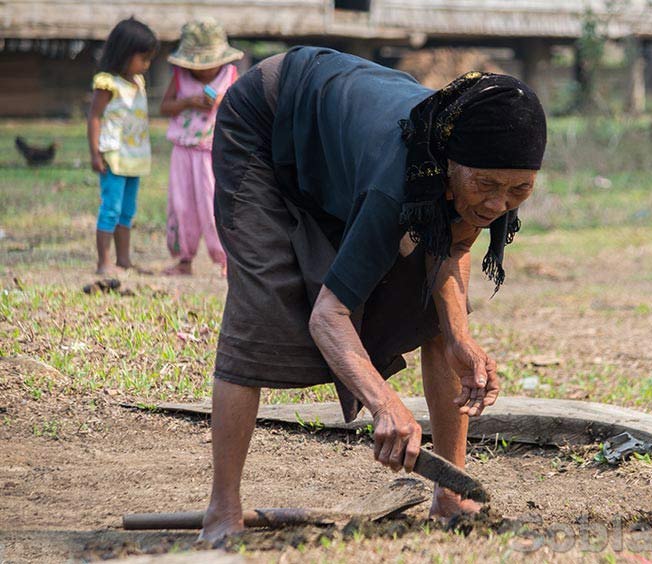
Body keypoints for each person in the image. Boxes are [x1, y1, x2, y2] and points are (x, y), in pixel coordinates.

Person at [201, 47, 547, 543]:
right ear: (448, 166)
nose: (499, 203)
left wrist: (459, 338)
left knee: (432, 308)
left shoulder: (484, 168)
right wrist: (385, 403)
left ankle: (450, 497)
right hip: (267, 117)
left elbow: (451, 246)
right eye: (486, 185)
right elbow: (328, 314)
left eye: (519, 190)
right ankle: (222, 510)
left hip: (340, 133)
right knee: (261, 304)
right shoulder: (400, 181)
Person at [160, 18, 242, 277]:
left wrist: (219, 100)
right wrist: (188, 102)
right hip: (182, 150)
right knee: (182, 204)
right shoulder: (180, 76)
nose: (206, 71)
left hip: (212, 151)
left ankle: (226, 259)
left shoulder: (230, 75)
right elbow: (165, 107)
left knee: (213, 204)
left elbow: (239, 106)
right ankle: (184, 259)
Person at [87, 18, 157, 274]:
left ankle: (123, 259)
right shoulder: (107, 82)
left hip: (134, 156)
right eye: (144, 58)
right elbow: (94, 116)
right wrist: (95, 153)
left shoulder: (138, 82)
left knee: (127, 210)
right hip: (114, 156)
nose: (147, 65)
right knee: (111, 209)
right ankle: (103, 261)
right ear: (125, 53)